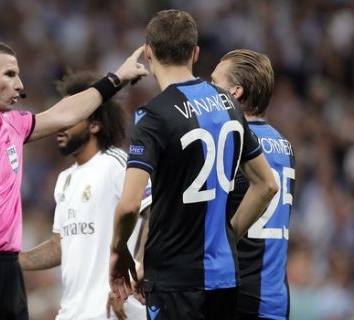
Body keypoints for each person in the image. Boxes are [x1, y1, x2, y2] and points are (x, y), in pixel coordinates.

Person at [0, 39, 148, 320]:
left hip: (10, 275)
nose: (20, 84)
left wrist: (116, 79)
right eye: (9, 74)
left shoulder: (12, 125)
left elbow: (66, 113)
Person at [108, 9, 278, 320]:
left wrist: (119, 251)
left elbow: (130, 205)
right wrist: (228, 236)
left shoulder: (153, 115)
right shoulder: (229, 105)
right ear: (195, 53)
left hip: (175, 278)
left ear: (148, 52)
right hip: (225, 277)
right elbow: (267, 185)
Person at [19, 71, 151, 320]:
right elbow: (60, 245)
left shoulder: (116, 163)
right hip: (72, 312)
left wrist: (140, 271)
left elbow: (154, 214)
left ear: (95, 123)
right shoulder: (65, 179)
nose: (60, 125)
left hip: (115, 309)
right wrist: (16, 261)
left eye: (70, 118)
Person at [211, 49, 295, 320]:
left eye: (215, 83)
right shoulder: (283, 144)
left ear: (235, 92)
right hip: (276, 296)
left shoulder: (230, 143)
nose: (209, 91)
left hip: (237, 294)